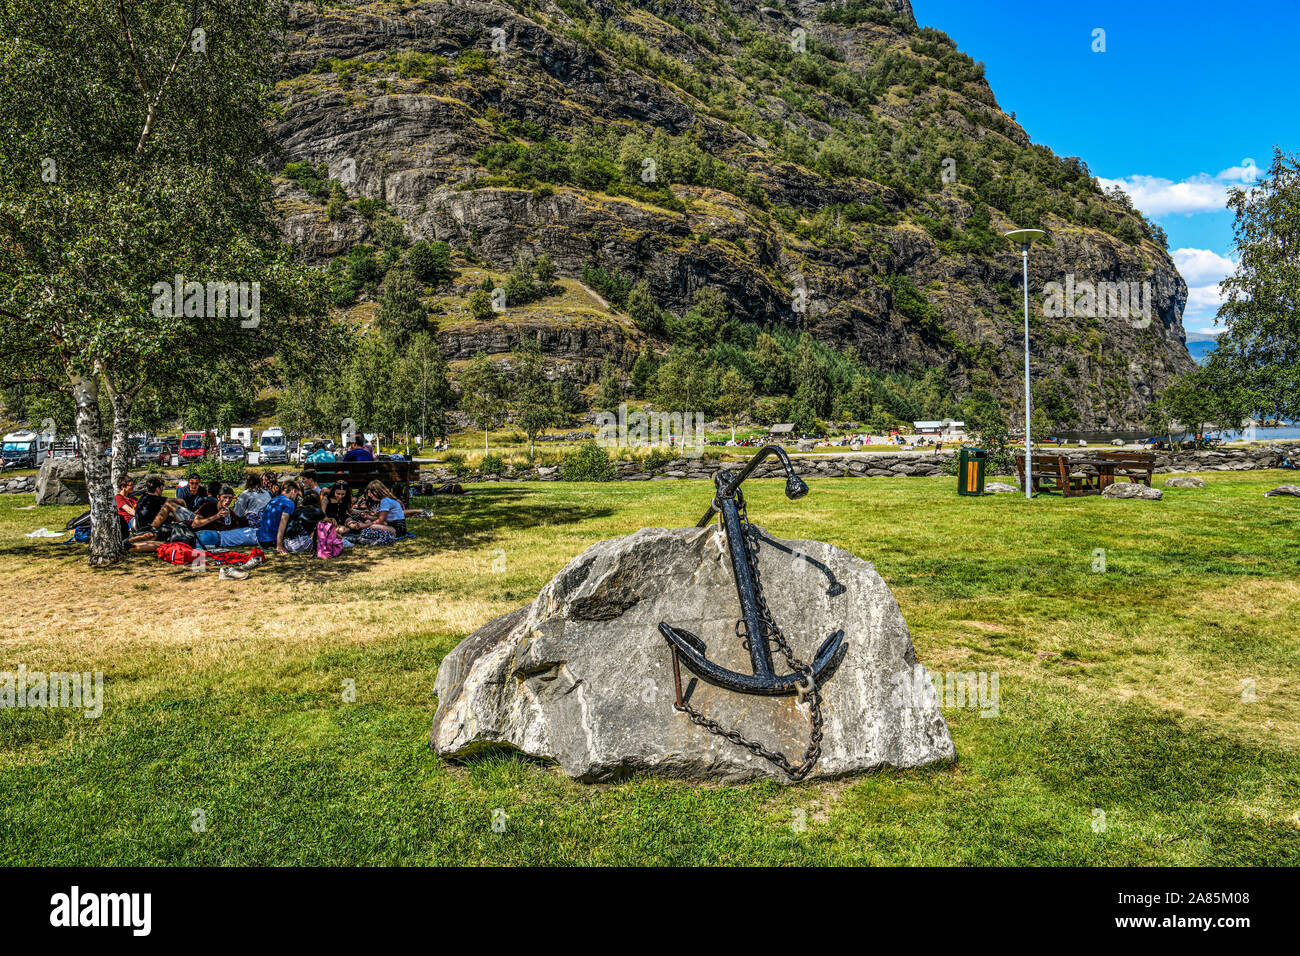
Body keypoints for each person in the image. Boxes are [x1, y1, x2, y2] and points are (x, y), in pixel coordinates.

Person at [258, 479, 300, 554]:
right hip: (271, 541)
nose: (295, 497)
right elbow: (283, 524)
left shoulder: (273, 500)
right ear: (293, 491)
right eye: (296, 494)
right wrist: (279, 545)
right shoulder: (289, 503)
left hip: (261, 540)